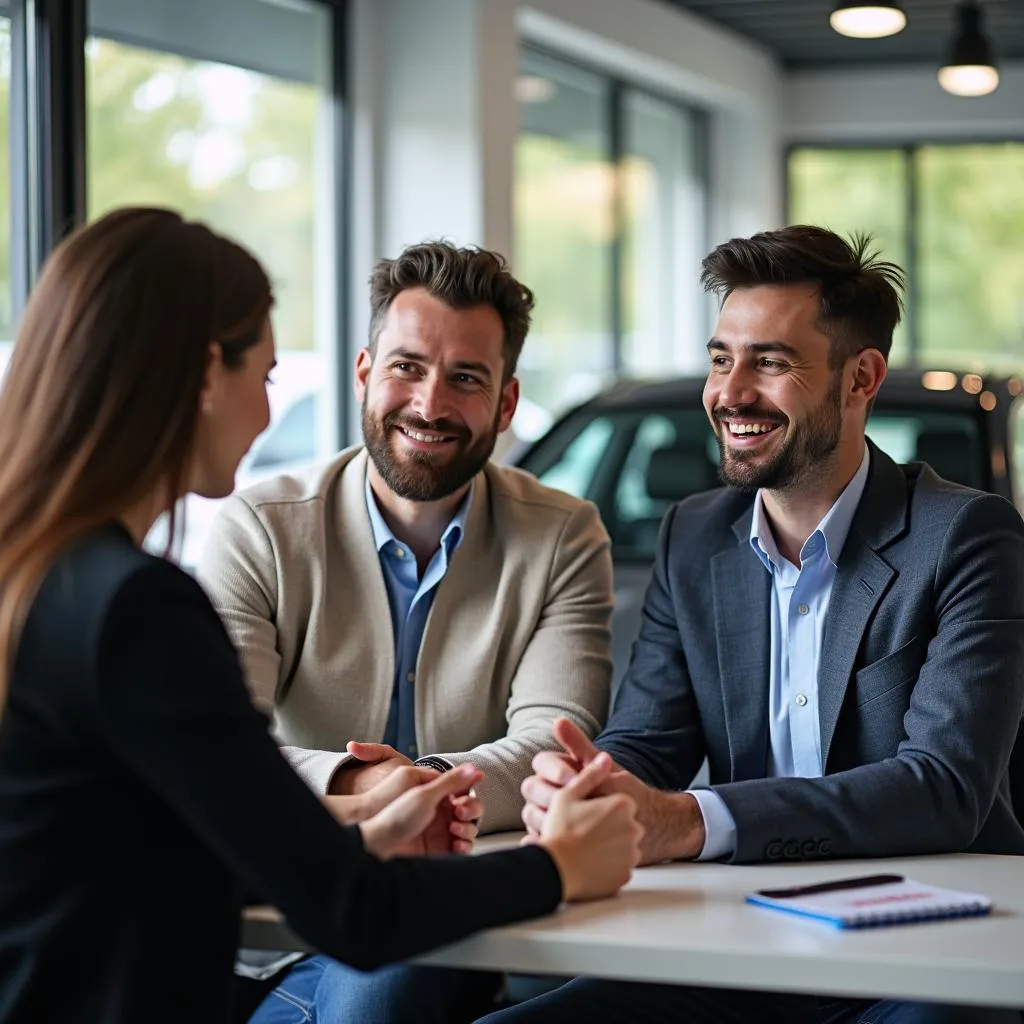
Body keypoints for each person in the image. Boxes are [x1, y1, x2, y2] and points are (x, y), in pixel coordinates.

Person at [0, 208, 644, 1024]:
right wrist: (559, 867)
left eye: (467, 378)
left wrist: (360, 825)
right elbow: (356, 909)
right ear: (207, 374)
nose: (270, 417)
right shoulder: (138, 608)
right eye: (265, 378)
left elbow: (138, 848)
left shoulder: (38, 580)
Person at [489, 225, 1024, 1024]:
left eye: (770, 362)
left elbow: (944, 787)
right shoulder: (694, 535)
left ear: (860, 378)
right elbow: (650, 741)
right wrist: (592, 786)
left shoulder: (968, 536)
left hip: (925, 954)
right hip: (736, 941)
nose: (730, 393)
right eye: (720, 358)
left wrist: (689, 818)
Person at [197, 241, 615, 1023]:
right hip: (276, 926)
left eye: (466, 378)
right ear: (363, 373)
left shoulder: (564, 536)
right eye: (406, 367)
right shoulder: (260, 528)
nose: (429, 404)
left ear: (507, 402)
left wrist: (420, 783)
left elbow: (555, 744)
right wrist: (359, 784)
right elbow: (223, 755)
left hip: (457, 921)